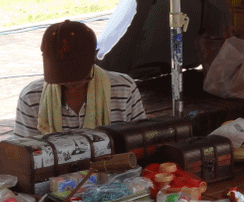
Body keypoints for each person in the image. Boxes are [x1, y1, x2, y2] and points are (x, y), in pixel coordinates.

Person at [14, 20, 146, 138]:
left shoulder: (124, 89)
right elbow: (25, 153)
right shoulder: (31, 98)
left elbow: (141, 138)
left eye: (76, 72)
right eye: (62, 74)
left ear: (94, 57)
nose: (71, 81)